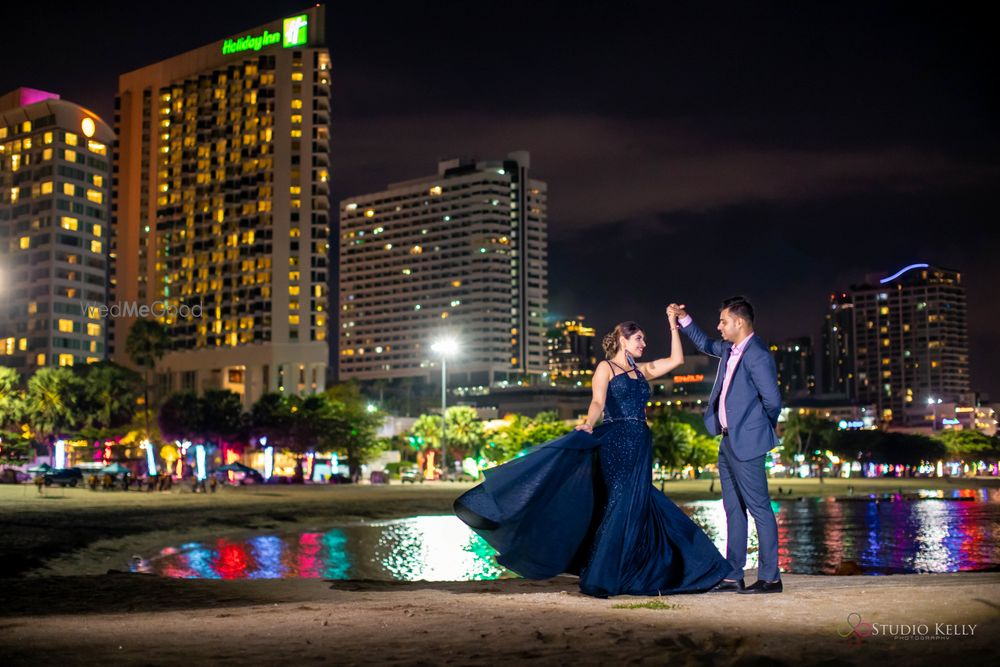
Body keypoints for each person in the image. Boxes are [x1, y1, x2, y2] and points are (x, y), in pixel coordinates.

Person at [455, 310, 730, 598]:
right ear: (623, 339)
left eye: (644, 340)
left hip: (640, 442)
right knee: (621, 503)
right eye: (638, 339)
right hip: (616, 441)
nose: (643, 344)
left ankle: (639, 569)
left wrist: (673, 326)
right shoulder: (606, 368)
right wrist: (588, 422)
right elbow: (598, 401)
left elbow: (677, 361)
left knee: (640, 503)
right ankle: (603, 575)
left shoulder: (641, 370)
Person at [669, 297, 783, 594]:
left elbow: (773, 401)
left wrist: (755, 430)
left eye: (723, 321)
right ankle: (734, 574)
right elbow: (705, 344)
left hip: (747, 443)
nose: (719, 326)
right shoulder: (729, 349)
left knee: (760, 509)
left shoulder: (757, 354)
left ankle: (771, 577)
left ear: (739, 323)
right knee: (733, 509)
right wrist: (683, 318)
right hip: (726, 441)